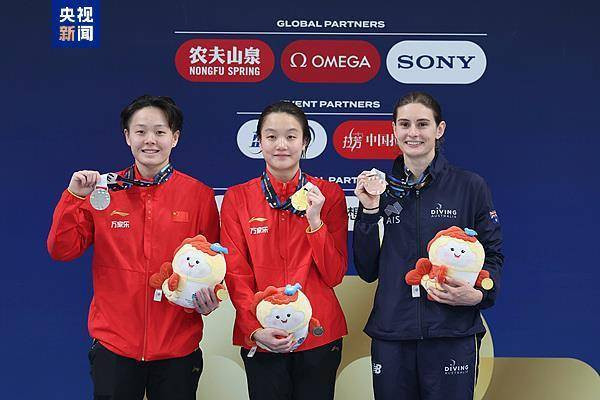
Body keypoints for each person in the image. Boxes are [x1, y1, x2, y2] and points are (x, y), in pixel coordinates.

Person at [47, 95, 220, 400]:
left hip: (178, 347)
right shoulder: (102, 190)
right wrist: (74, 197)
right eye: (140, 131)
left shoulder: (199, 195)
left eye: (160, 132)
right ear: (127, 136)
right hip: (115, 347)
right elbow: (62, 249)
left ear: (175, 138)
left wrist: (210, 298)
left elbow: (213, 267)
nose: (150, 140)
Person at [353, 92, 503, 400]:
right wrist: (368, 211)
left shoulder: (469, 186)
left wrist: (479, 294)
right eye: (404, 124)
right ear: (394, 130)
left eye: (422, 124)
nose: (413, 133)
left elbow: (493, 253)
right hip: (393, 332)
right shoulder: (380, 189)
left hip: (452, 332)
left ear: (439, 129)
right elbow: (367, 269)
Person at [220, 101, 348, 400]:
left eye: (291, 136)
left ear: (305, 142)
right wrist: (254, 329)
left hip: (319, 333)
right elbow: (236, 273)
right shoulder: (238, 198)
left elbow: (334, 275)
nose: (281, 145)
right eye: (271, 136)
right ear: (259, 141)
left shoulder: (328, 194)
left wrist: (315, 221)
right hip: (263, 334)